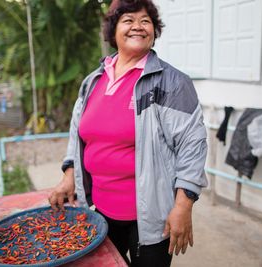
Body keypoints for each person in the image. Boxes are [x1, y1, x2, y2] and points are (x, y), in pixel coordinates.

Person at [48, 0, 208, 266]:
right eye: (128, 20)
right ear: (113, 31)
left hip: (151, 216)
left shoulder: (172, 82)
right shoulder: (93, 81)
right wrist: (69, 176)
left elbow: (193, 145)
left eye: (145, 21)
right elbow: (78, 134)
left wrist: (183, 205)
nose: (138, 26)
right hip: (99, 209)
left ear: (155, 30)